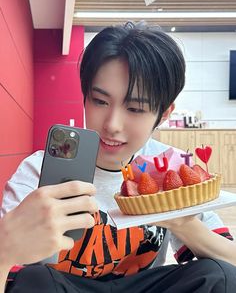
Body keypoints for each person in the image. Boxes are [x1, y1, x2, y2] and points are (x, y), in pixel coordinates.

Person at [1, 21, 236, 292]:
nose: (112, 124)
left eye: (135, 108)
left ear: (164, 113)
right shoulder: (36, 173)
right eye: (100, 101)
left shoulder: (172, 169)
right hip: (65, 287)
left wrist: (182, 224)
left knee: (218, 275)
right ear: (86, 97)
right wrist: (4, 249)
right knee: (33, 280)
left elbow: (229, 265)